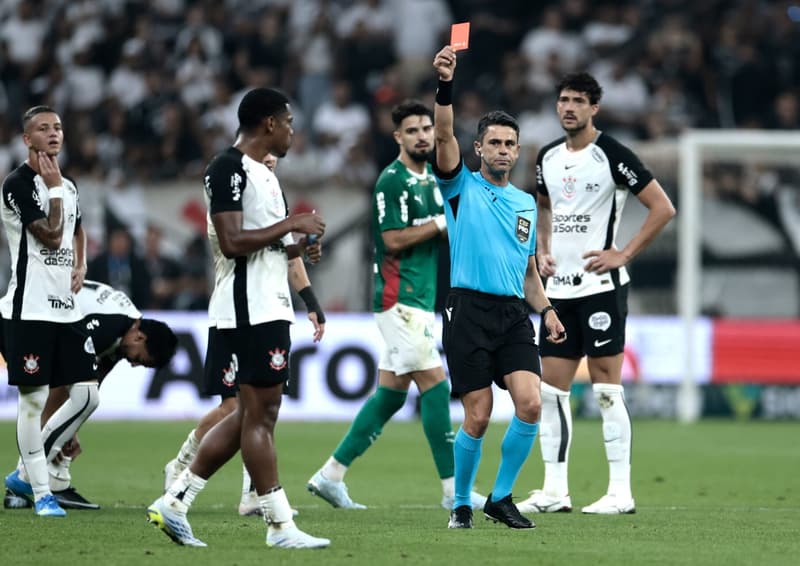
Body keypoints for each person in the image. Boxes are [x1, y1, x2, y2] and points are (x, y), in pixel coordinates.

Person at [145, 87, 329, 549]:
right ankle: (280, 525)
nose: (292, 131)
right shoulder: (227, 167)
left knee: (251, 412)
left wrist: (298, 246)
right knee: (262, 414)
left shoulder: (266, 176)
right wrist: (292, 225)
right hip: (249, 309)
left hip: (267, 304)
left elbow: (264, 245)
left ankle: (177, 499)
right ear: (268, 123)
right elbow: (231, 242)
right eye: (287, 121)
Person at [307, 100, 485, 511]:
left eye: (427, 128)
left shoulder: (432, 180)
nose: (423, 135)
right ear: (398, 137)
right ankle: (453, 491)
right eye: (413, 130)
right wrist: (442, 224)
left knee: (390, 395)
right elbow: (392, 240)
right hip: (398, 297)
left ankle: (330, 475)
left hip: (420, 299)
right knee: (437, 388)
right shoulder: (392, 180)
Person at [515, 72, 675, 516]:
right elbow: (544, 207)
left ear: (594, 108)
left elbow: (663, 208)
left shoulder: (613, 155)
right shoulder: (546, 157)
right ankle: (554, 491)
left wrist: (623, 253)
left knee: (607, 390)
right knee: (551, 393)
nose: (568, 107)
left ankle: (620, 493)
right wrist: (543, 250)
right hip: (559, 293)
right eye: (563, 99)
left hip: (601, 289)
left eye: (578, 101)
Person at [430, 46, 566, 530]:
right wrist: (445, 84)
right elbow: (443, 132)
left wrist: (547, 309)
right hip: (466, 310)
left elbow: (529, 275)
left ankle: (501, 496)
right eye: (495, 143)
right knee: (479, 416)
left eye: (511, 144)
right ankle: (462, 501)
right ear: (479, 149)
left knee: (530, 402)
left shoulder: (527, 204)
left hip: (513, 314)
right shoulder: (459, 188)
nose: (504, 151)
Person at [3, 279, 178, 511]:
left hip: (38, 314)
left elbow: (91, 382)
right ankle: (27, 477)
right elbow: (62, 380)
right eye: (139, 359)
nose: (134, 365)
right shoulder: (108, 328)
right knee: (44, 400)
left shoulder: (122, 334)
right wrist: (55, 426)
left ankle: (30, 483)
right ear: (139, 337)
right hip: (25, 313)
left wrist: (68, 427)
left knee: (81, 398)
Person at [0, 105, 98, 517]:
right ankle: (41, 492)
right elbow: (52, 236)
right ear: (27, 139)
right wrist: (54, 188)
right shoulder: (17, 184)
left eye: (58, 126)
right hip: (30, 310)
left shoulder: (68, 185)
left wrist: (82, 262)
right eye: (43, 129)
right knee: (33, 401)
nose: (54, 133)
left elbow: (75, 229)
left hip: (66, 310)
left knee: (87, 394)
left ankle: (27, 474)